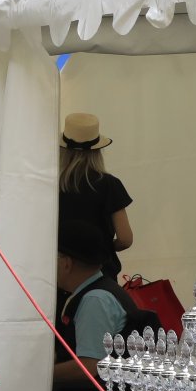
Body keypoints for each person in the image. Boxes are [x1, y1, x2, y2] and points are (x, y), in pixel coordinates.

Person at [49, 217, 135, 391]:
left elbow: (90, 366)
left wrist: (41, 377)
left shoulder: (95, 300)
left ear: (66, 263)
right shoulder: (91, 292)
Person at [59, 112, 133, 279]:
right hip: (100, 273)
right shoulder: (110, 184)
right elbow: (125, 239)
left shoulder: (52, 186)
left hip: (62, 273)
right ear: (98, 151)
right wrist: (104, 247)